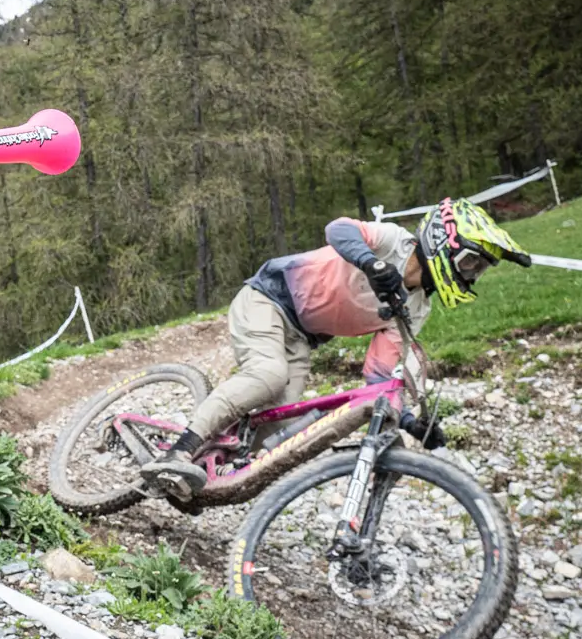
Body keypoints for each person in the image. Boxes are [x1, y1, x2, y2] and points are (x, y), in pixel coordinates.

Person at [145, 198, 531, 491]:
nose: (471, 276)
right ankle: (178, 450)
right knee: (267, 374)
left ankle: (206, 474)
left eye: (478, 270)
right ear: (443, 243)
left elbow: (379, 376)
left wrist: (410, 421)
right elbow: (339, 229)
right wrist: (371, 264)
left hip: (301, 335)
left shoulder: (415, 307)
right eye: (469, 264)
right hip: (267, 298)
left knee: (284, 426)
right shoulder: (395, 241)